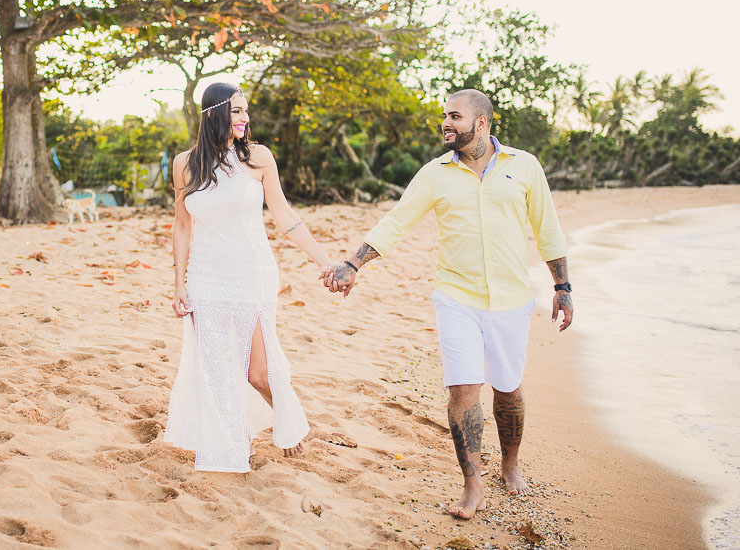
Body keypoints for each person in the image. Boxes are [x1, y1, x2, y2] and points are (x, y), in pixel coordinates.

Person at [322, 89, 574, 518]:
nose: (446, 123)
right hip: (456, 296)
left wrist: (563, 287)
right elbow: (396, 222)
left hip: (511, 299)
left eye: (454, 117)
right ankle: (472, 485)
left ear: (481, 123)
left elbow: (547, 230)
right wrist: (353, 263)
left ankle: (510, 464)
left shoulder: (524, 166)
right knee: (462, 388)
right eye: (444, 116)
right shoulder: (434, 172)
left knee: (508, 389)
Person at [164, 82, 334, 473]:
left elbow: (285, 216)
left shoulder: (257, 158)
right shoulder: (184, 164)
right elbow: (182, 226)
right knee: (219, 369)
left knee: (257, 372)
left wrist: (323, 262)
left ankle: (290, 421)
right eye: (237, 111)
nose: (245, 119)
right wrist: (179, 284)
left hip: (251, 273)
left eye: (246, 112)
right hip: (206, 278)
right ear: (214, 113)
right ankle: (230, 445)